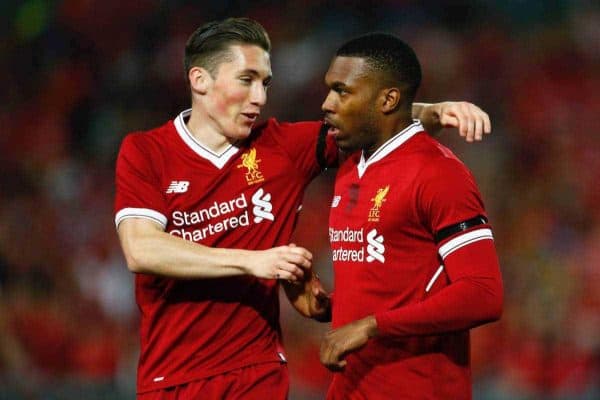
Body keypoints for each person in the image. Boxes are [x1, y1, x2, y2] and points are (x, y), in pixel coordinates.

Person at [114, 17, 492, 399]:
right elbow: (142, 249)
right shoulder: (147, 152)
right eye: (247, 80)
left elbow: (373, 117)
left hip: (257, 372)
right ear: (200, 80)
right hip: (172, 377)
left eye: (266, 83)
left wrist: (434, 110)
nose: (260, 97)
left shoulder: (282, 147)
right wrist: (252, 261)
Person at [319, 33, 503, 399]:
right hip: (351, 388)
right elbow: (396, 282)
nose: (327, 103)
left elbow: (483, 294)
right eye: (329, 89)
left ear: (388, 99)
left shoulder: (438, 173)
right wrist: (330, 305)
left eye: (342, 91)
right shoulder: (351, 165)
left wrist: (371, 326)